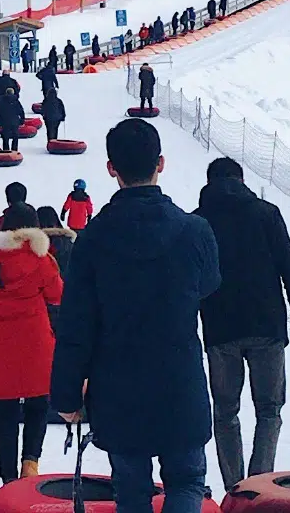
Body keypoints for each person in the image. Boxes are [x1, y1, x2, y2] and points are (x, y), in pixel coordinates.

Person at [51, 119, 221, 513]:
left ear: (111, 168)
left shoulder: (93, 238)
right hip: (180, 381)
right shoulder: (195, 231)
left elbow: (75, 323)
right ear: (161, 163)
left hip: (118, 387)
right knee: (187, 482)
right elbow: (209, 284)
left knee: (130, 492)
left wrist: (65, 393)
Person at [193, 157, 290, 491]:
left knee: (224, 413)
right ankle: (259, 490)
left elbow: (186, 284)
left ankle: (235, 490)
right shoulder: (266, 214)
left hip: (220, 333)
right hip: (268, 330)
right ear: (241, 179)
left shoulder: (197, 222)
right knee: (269, 410)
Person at [0, 203, 63, 483]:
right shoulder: (39, 258)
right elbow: (57, 294)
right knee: (38, 405)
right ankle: (30, 465)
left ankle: (7, 478)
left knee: (5, 414)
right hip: (35, 339)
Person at [0, 86, 25, 153]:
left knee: (5, 137)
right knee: (15, 136)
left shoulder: (1, 101)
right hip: (15, 121)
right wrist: (22, 120)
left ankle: (6, 151)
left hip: (4, 121)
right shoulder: (16, 101)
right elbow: (21, 111)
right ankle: (14, 150)